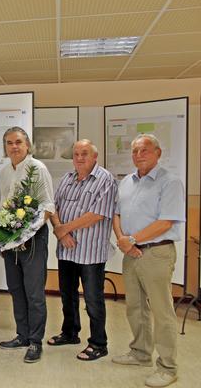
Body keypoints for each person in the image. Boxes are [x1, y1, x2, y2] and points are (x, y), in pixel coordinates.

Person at [112, 134, 185, 388]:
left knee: (162, 311)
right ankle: (140, 353)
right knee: (135, 307)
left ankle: (167, 367)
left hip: (156, 253)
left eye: (144, 150)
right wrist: (123, 239)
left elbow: (166, 221)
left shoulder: (170, 182)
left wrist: (131, 239)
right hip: (131, 253)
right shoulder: (127, 183)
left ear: (158, 153)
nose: (139, 155)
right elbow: (117, 213)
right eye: (135, 151)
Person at [48, 139, 117, 361]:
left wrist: (63, 229)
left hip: (90, 253)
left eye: (85, 154)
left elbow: (96, 214)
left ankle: (99, 343)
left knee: (93, 299)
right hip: (66, 251)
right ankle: (70, 333)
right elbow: (53, 207)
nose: (79, 158)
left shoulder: (105, 180)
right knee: (67, 296)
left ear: (94, 157)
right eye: (76, 154)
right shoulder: (67, 179)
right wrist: (61, 231)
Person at [0, 126, 54, 363]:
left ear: (27, 145)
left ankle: (36, 341)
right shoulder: (4, 172)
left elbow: (48, 206)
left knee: (34, 292)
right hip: (10, 240)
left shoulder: (37, 168)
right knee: (16, 289)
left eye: (18, 142)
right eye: (9, 143)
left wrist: (26, 233)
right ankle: (22, 335)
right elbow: (2, 207)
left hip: (33, 239)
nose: (14, 147)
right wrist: (3, 236)